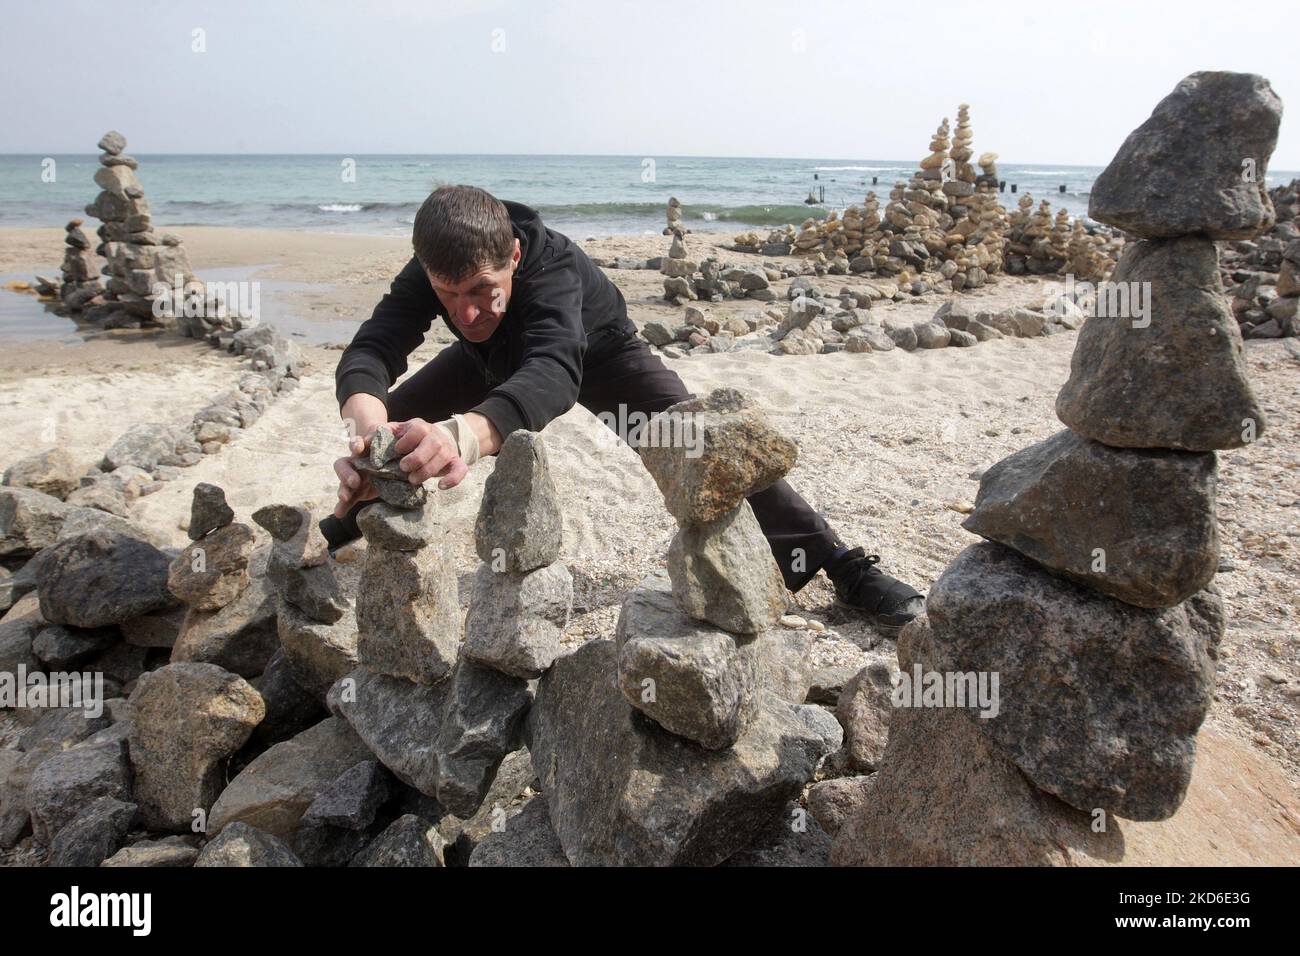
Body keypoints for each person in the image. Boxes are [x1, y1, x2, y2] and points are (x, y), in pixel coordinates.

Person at [321, 185, 923, 633]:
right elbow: (373, 348)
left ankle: (841, 564)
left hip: (600, 355)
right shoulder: (442, 266)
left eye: (482, 291)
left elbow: (554, 371)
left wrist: (465, 436)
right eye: (448, 297)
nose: (465, 313)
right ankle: (347, 521)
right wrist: (368, 428)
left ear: (514, 257)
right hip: (494, 361)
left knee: (699, 446)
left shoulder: (552, 266)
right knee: (388, 433)